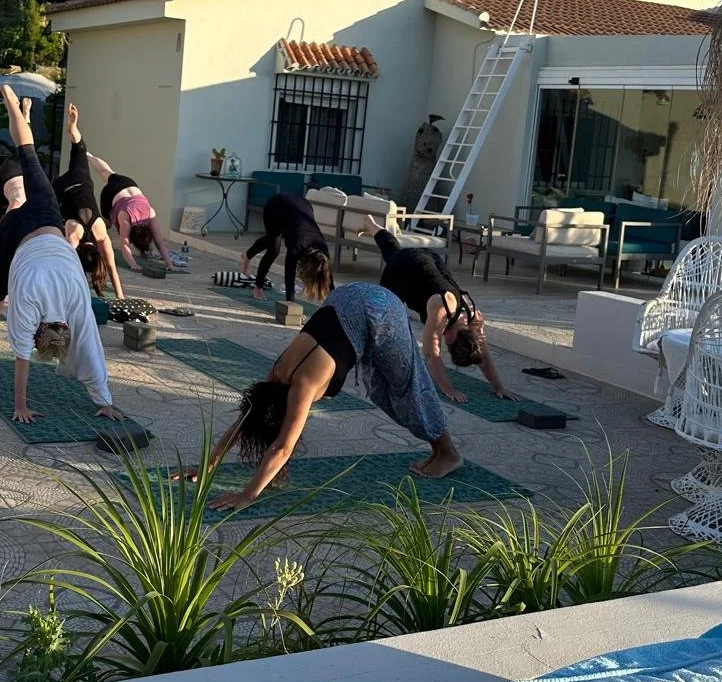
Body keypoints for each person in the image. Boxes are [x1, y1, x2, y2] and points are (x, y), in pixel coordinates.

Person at [208, 282, 461, 514]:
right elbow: (248, 417)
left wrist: (247, 495)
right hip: (348, 298)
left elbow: (282, 447)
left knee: (407, 386)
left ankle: (448, 453)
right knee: (380, 389)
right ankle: (435, 447)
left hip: (381, 310)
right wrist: (210, 464)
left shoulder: (302, 386)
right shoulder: (277, 372)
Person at [0, 84, 121, 425]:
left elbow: (88, 348)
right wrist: (20, 406)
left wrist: (106, 400)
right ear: (38, 333)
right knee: (0, 287)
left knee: (28, 154)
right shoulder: (31, 304)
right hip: (16, 232)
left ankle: (14, 106)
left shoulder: (77, 302)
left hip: (47, 217)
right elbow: (23, 358)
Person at [363, 217, 512, 404]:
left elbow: (482, 351)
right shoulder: (441, 310)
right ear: (449, 339)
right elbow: (431, 354)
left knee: (392, 248)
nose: (445, 343)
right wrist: (448, 389)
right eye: (448, 345)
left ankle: (371, 224)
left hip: (429, 258)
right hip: (404, 268)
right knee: (382, 318)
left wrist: (498, 386)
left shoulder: (472, 319)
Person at [51, 105, 126, 299]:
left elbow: (110, 267)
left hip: (80, 178)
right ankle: (72, 129)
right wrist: (120, 299)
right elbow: (111, 269)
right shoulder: (74, 237)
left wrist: (120, 295)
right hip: (59, 189)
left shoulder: (100, 232)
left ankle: (74, 130)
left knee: (79, 148)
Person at [86, 149, 176, 273]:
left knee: (108, 172)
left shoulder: (150, 213)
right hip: (110, 194)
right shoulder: (126, 219)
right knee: (105, 226)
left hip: (129, 185)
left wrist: (170, 264)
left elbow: (159, 243)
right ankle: (88, 241)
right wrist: (133, 264)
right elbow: (125, 244)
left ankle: (89, 156)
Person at [241, 192, 334, 303]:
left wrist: (335, 302)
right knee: (273, 248)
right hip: (275, 206)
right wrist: (291, 306)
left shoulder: (322, 250)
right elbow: (289, 278)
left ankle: (247, 255)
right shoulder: (296, 248)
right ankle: (257, 287)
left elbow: (329, 279)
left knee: (274, 237)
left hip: (302, 205)